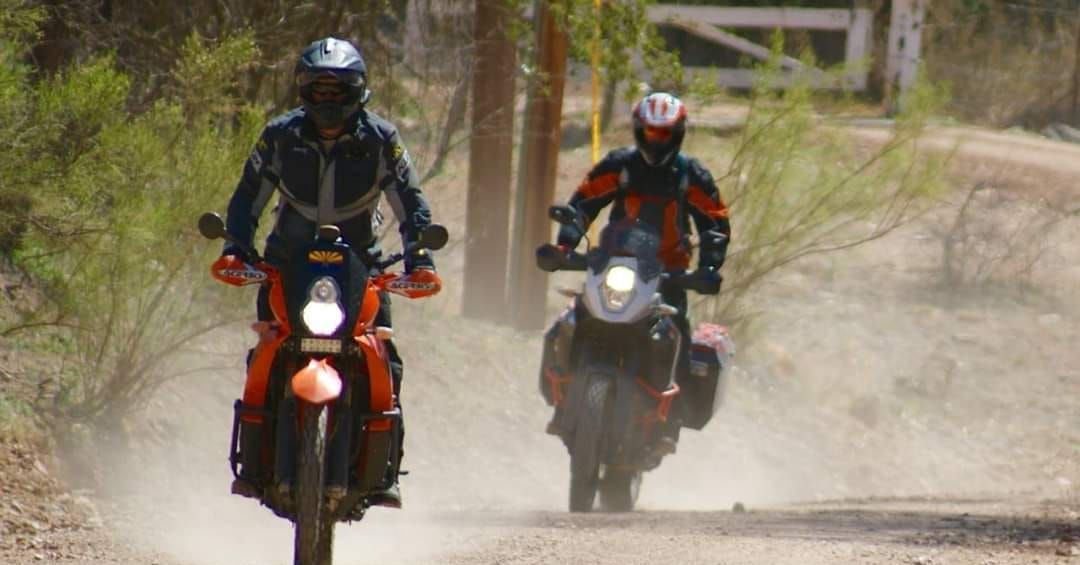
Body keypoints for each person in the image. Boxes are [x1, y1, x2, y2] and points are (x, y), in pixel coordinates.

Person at [219, 36, 439, 508]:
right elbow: (246, 198)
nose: (327, 99)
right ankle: (255, 466)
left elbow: (410, 203)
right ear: (302, 91)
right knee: (266, 353)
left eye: (338, 90)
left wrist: (420, 258)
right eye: (318, 90)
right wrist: (235, 250)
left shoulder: (382, 140)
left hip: (363, 271)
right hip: (285, 269)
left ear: (358, 91)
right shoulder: (279, 136)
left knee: (386, 360)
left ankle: (384, 471)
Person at [555, 91, 730, 451]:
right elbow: (583, 203)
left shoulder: (690, 174)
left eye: (664, 133)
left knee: (677, 329)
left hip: (668, 275)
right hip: (616, 265)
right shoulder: (620, 166)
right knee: (576, 319)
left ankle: (671, 418)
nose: (656, 140)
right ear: (638, 130)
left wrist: (709, 266)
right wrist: (564, 245)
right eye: (650, 132)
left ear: (678, 133)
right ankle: (563, 398)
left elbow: (715, 220)